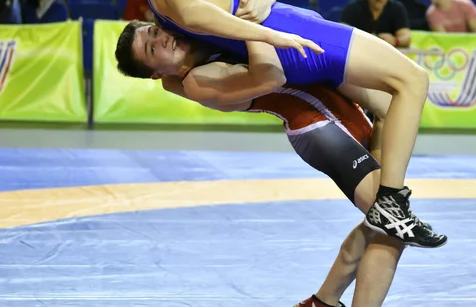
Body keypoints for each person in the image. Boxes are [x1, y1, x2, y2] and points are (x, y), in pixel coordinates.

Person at [118, 0, 447, 247]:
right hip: (299, 38)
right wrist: (269, 32)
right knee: (414, 80)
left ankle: (383, 200)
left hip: (295, 37)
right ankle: (391, 201)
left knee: (386, 105)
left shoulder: (157, 1)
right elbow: (195, 13)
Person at [122, 20, 409, 307]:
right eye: (151, 48)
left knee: (379, 220)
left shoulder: (201, 42)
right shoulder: (198, 79)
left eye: (156, 31)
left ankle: (322, 301)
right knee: (392, 222)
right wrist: (249, 20)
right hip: (318, 126)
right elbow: (271, 78)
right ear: (157, 73)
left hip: (339, 111)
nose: (161, 40)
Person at [341, 0, 411, 48]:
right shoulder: (353, 8)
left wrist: (395, 41)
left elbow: (406, 38)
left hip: (387, 55)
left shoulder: (397, 8)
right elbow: (342, 35)